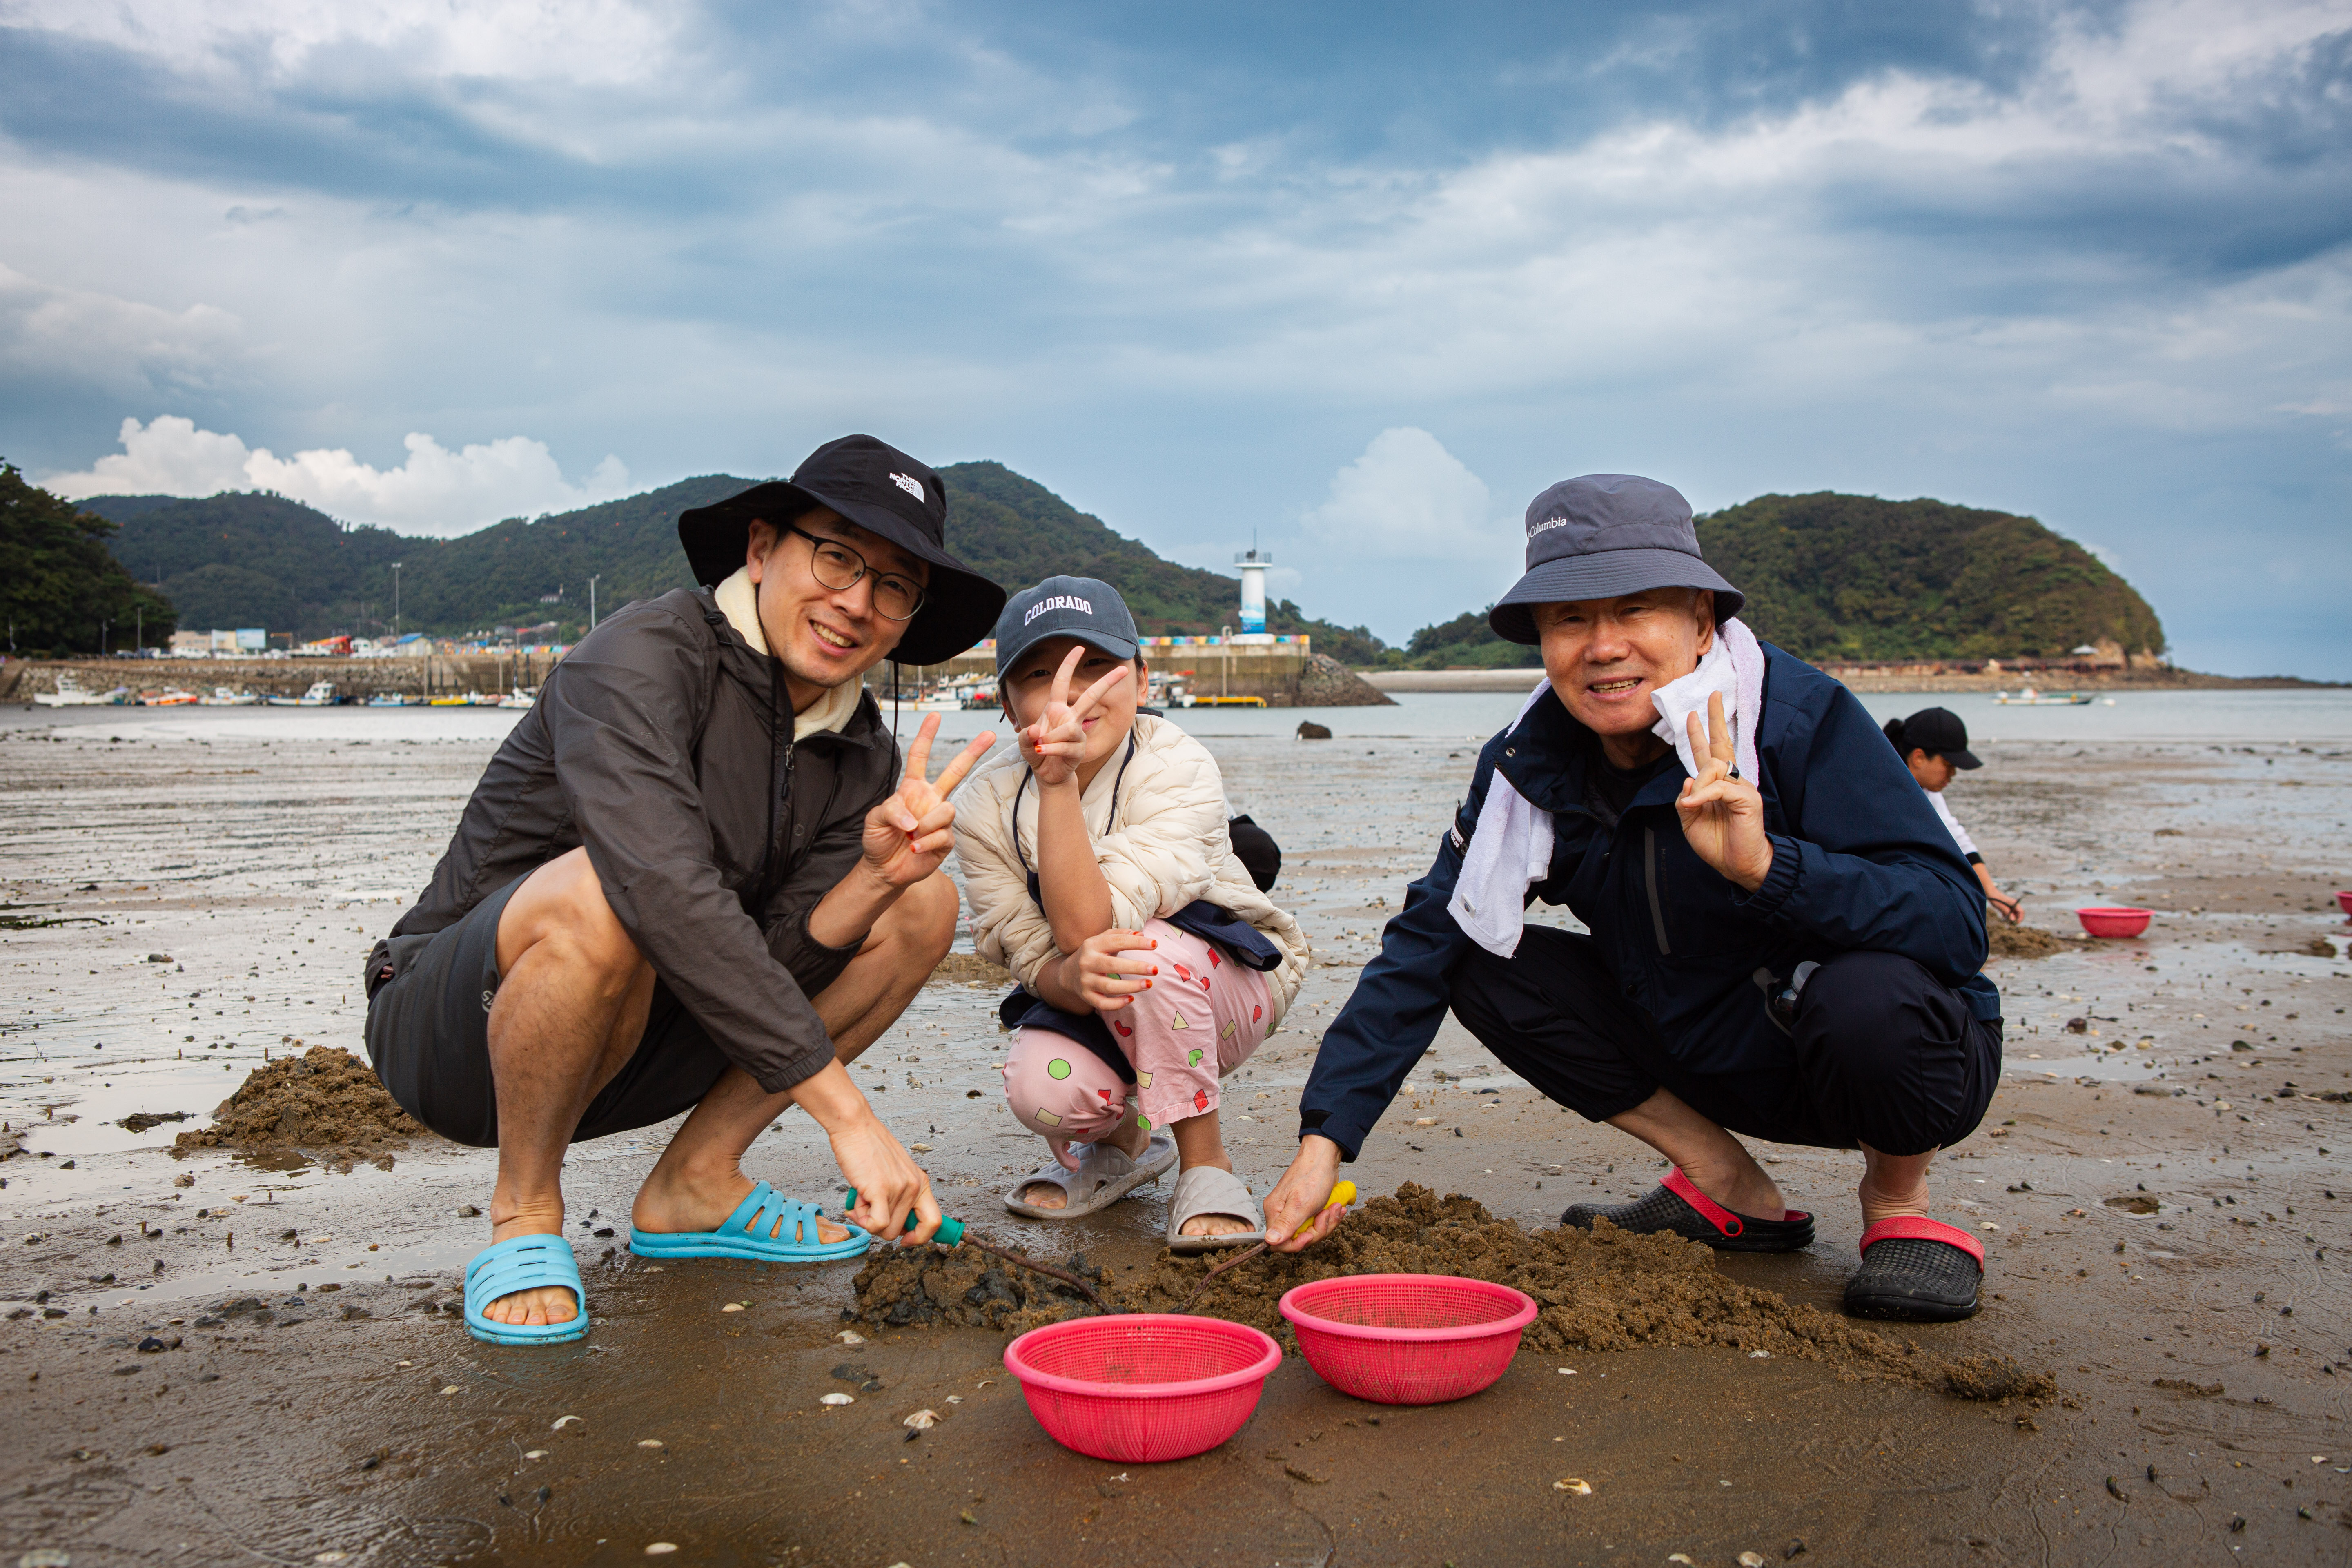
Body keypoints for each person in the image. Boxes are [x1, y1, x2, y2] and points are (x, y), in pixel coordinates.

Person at [1261, 474, 2004, 1321]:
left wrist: (1770, 866)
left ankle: (1899, 1204)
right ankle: (1727, 1184)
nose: (1603, 646)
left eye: (1635, 610)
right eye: (1571, 619)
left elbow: (1954, 921)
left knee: (1871, 991)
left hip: (1881, 1061)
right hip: (1700, 1046)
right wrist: (1327, 1141)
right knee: (1477, 952)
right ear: (1542, 638)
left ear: (1699, 620)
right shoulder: (1529, 762)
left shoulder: (1797, 722)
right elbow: (1425, 942)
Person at [362, 435, 1006, 1344]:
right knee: (606, 891)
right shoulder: (639, 657)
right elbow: (660, 891)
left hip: (647, 1025)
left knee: (921, 902)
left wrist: (871, 881)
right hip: (458, 1029)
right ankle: (525, 1215)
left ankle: (696, 1182)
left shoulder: (863, 749)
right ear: (760, 547)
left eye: (893, 586)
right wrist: (851, 1121)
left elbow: (774, 956)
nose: (856, 603)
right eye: (836, 557)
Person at [954, 577, 1310, 1250]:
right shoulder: (985, 806)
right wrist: (1066, 981)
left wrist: (1055, 782)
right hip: (1101, 991)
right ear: (1006, 703)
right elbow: (1029, 952)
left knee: (1133, 947)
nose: (1071, 692)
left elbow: (1094, 928)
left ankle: (1207, 1164)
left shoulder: (1177, 762)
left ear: (1143, 683)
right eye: (1040, 673)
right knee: (1042, 1089)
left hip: (1231, 988)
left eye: (1096, 666)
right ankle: (1122, 1146)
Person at [1884, 706, 2019, 924]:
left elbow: (1956, 838)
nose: (1953, 774)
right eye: (1948, 765)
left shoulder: (1924, 789)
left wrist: (1992, 893)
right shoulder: (1881, 784)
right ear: (1919, 757)